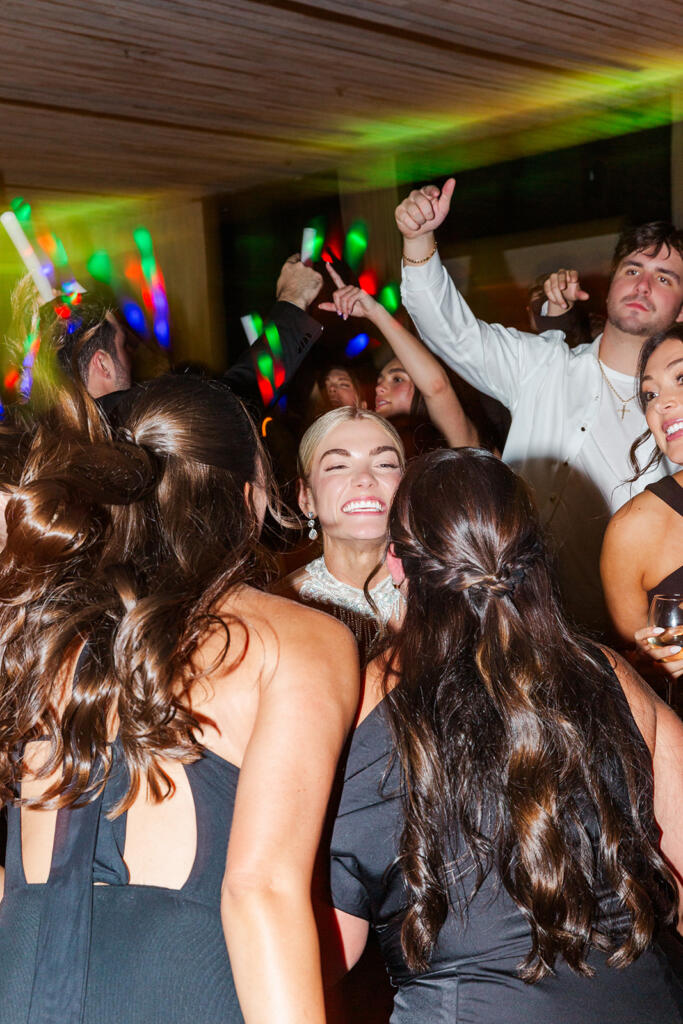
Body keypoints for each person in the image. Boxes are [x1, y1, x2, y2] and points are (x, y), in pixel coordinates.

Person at [0, 374, 358, 1023]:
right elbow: (261, 892)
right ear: (253, 492)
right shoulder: (298, 639)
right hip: (174, 988)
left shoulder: (50, 635)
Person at [327, 447, 683, 1023]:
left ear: (396, 564)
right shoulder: (608, 674)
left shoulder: (365, 702)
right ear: (536, 554)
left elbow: (325, 950)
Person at [396, 178, 683, 635]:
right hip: (492, 617)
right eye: (632, 269)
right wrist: (418, 239)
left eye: (664, 277)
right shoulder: (542, 362)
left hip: (598, 637)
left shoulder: (674, 417)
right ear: (609, 287)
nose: (643, 283)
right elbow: (452, 332)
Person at [278, 406, 405, 665]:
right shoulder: (279, 606)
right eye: (338, 465)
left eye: (384, 464)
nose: (365, 478)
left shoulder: (450, 594)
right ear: (306, 497)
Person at [601, 324, 683, 694]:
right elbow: (635, 684)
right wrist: (656, 661)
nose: (661, 403)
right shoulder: (634, 530)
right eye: (650, 394)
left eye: (682, 378)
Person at [320, 265, 479, 454]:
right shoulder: (376, 448)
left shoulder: (457, 443)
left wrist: (375, 313)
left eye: (397, 379)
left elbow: (437, 386)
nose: (379, 389)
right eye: (380, 381)